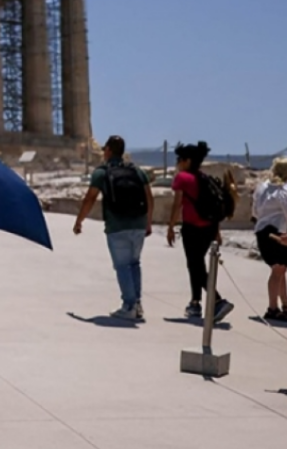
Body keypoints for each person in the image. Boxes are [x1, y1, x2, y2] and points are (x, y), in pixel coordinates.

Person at [72, 135, 154, 320]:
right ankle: (137, 303)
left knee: (122, 266)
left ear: (108, 150)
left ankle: (129, 305)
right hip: (139, 224)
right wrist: (148, 222)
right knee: (134, 264)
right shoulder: (137, 171)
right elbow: (149, 197)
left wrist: (79, 221)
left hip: (117, 225)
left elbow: (90, 198)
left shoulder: (101, 172)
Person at [167, 142, 235, 322]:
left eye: (180, 159)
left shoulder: (183, 178)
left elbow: (177, 204)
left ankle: (217, 300)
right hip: (209, 228)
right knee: (196, 265)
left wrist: (170, 226)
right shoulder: (206, 179)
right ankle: (195, 302)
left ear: (187, 160)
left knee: (195, 266)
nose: (178, 163)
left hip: (192, 228)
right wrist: (217, 232)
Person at [252, 158, 287, 320]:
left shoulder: (262, 187)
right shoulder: (283, 189)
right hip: (278, 233)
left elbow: (255, 211)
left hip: (262, 232)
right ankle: (273, 308)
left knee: (279, 270)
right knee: (278, 270)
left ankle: (284, 306)